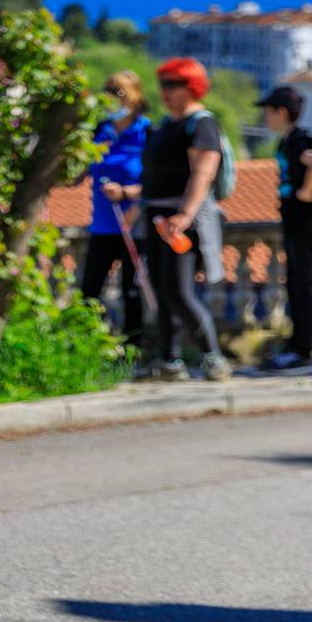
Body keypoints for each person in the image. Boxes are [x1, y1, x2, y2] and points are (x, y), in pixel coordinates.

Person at [123, 57, 231, 381]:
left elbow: (203, 171)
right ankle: (170, 359)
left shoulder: (201, 124)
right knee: (158, 287)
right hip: (155, 214)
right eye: (163, 84)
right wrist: (135, 199)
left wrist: (185, 214)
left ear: (191, 87)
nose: (165, 91)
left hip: (182, 219)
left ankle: (212, 356)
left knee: (180, 290)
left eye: (173, 84)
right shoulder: (166, 125)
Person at [257, 85, 312, 373]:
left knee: (302, 285)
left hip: (304, 224)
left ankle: (302, 349)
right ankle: (297, 346)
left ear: (281, 112)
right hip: (296, 223)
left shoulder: (298, 142)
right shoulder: (288, 142)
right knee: (295, 283)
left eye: (268, 112)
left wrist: (306, 192)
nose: (266, 118)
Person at [84, 71, 151, 342]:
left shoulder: (147, 132)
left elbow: (157, 181)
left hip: (134, 223)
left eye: (119, 92)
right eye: (109, 91)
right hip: (102, 222)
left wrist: (126, 192)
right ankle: (89, 343)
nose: (113, 98)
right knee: (90, 289)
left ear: (135, 96)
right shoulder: (101, 130)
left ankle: (134, 347)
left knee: (131, 290)